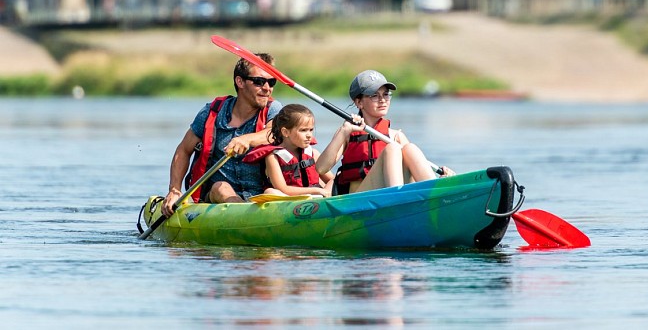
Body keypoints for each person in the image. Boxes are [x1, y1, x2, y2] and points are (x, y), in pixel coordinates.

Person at [161, 55, 282, 217]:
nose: (267, 88)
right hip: (216, 198)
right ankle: (244, 217)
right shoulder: (212, 112)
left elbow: (273, 134)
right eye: (259, 82)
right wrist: (174, 190)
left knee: (274, 192)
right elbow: (183, 150)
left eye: (271, 82)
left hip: (261, 197)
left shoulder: (273, 109)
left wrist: (247, 139)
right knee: (221, 187)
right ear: (240, 82)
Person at [316, 70, 454, 194]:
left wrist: (442, 177)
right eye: (374, 95)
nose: (382, 100)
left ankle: (438, 191)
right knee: (393, 148)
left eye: (386, 94)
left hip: (390, 192)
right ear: (359, 102)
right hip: (361, 198)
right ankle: (396, 200)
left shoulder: (396, 135)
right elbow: (321, 168)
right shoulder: (347, 132)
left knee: (410, 148)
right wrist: (344, 131)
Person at [243, 104, 334, 197]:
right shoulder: (273, 157)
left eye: (311, 130)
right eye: (303, 130)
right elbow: (282, 188)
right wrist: (316, 190)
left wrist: (326, 191)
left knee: (338, 177)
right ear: (285, 132)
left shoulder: (313, 153)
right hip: (290, 199)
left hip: (316, 197)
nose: (309, 135)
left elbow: (332, 179)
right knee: (270, 192)